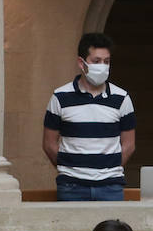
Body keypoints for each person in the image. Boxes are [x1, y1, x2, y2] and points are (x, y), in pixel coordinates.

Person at [42, 32, 136, 201]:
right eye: (96, 61)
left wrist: (108, 170)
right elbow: (49, 144)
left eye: (106, 61)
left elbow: (129, 144)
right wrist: (69, 168)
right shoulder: (60, 97)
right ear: (81, 63)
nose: (102, 66)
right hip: (71, 187)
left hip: (111, 187)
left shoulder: (122, 98)